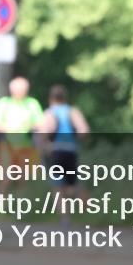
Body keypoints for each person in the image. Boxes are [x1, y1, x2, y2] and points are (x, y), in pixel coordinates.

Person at [39, 85, 90, 224]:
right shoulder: (72, 112)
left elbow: (44, 132)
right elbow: (84, 130)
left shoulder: (50, 113)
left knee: (58, 187)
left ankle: (65, 218)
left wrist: (45, 145)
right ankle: (87, 208)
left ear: (51, 98)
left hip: (56, 151)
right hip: (71, 151)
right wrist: (75, 139)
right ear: (64, 97)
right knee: (73, 184)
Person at [0, 75, 44, 195]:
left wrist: (28, 126)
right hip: (7, 145)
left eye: (23, 89)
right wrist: (11, 129)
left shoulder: (32, 103)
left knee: (24, 177)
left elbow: (41, 123)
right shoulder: (4, 103)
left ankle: (22, 203)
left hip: (27, 146)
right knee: (6, 176)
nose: (20, 91)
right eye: (18, 89)